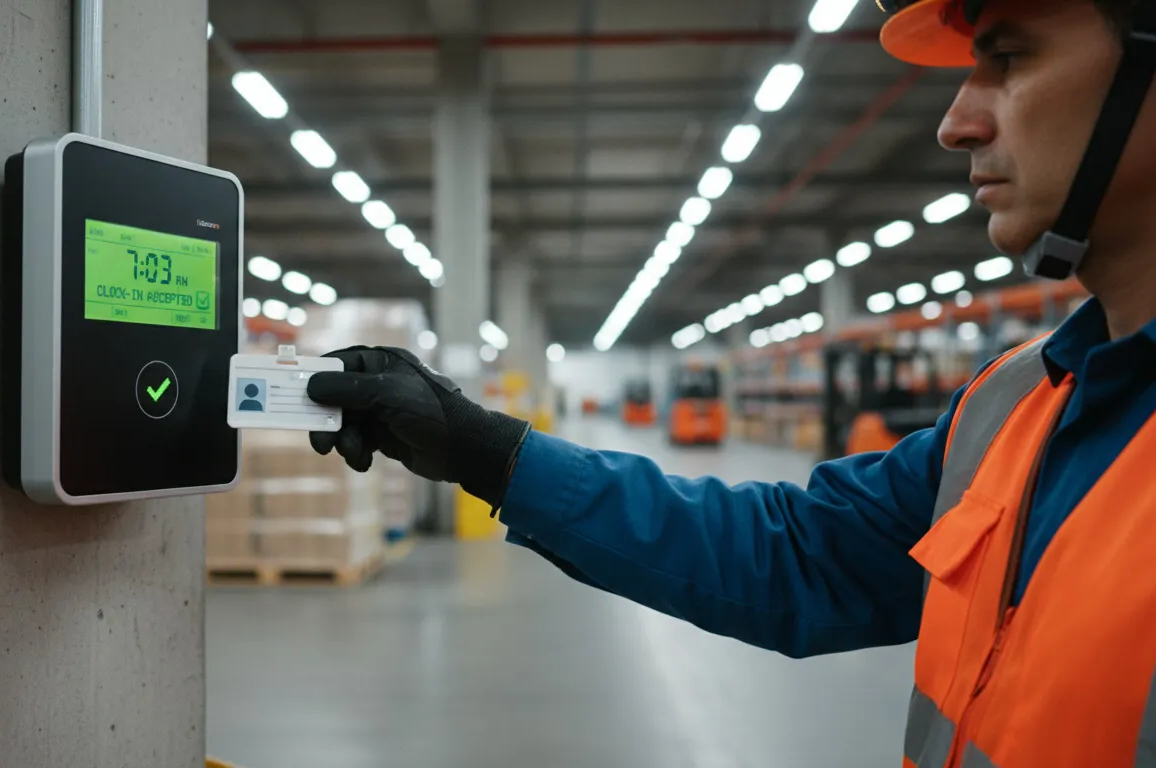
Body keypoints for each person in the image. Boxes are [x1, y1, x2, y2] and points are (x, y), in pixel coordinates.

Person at [307, 1, 1156, 765]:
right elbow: (793, 557)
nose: (956, 123)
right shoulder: (1011, 407)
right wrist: (481, 449)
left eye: (1008, 58)